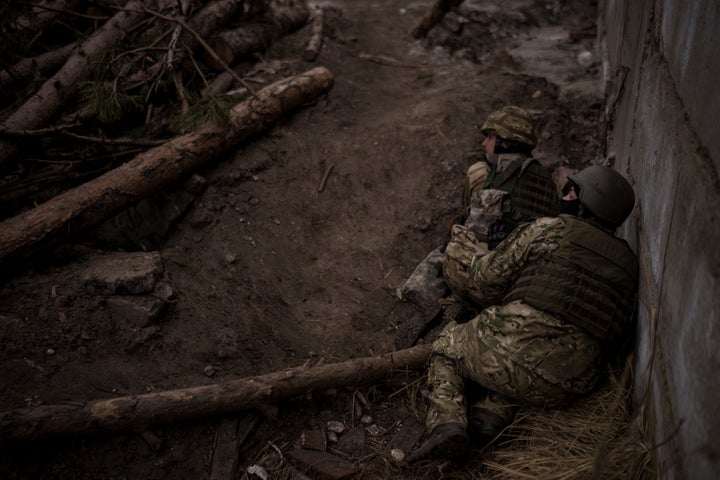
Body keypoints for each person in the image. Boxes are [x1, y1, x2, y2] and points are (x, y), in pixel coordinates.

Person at [406, 164, 639, 463]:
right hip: (571, 385)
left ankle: (445, 423)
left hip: (513, 354)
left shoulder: (550, 229)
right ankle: (490, 415)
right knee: (530, 360)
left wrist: (464, 245)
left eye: (571, 190)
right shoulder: (629, 265)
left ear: (584, 203)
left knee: (447, 347)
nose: (565, 194)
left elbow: (486, 277)